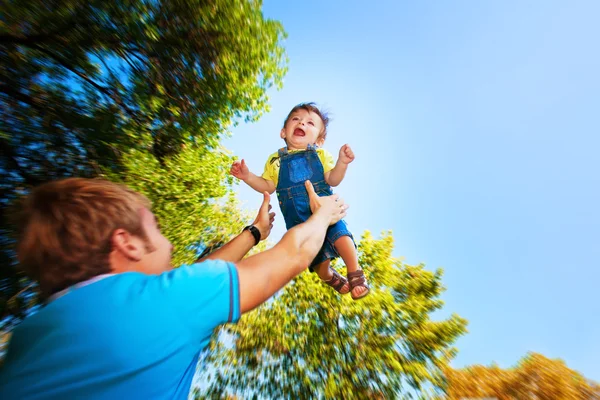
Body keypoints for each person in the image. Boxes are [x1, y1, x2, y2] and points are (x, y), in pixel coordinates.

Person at [0, 177, 347, 399]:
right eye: (156, 229)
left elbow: (188, 283)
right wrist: (323, 215)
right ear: (129, 245)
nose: (166, 243)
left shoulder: (28, 337)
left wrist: (254, 232)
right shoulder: (167, 305)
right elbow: (295, 253)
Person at [230, 102, 369, 300]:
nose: (302, 123)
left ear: (320, 140)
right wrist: (247, 176)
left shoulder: (320, 155)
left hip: (324, 208)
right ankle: (328, 276)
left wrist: (342, 163)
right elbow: (267, 186)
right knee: (317, 261)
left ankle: (355, 272)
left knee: (341, 236)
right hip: (298, 219)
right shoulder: (274, 161)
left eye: (310, 123)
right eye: (296, 119)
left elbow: (333, 180)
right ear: (283, 132)